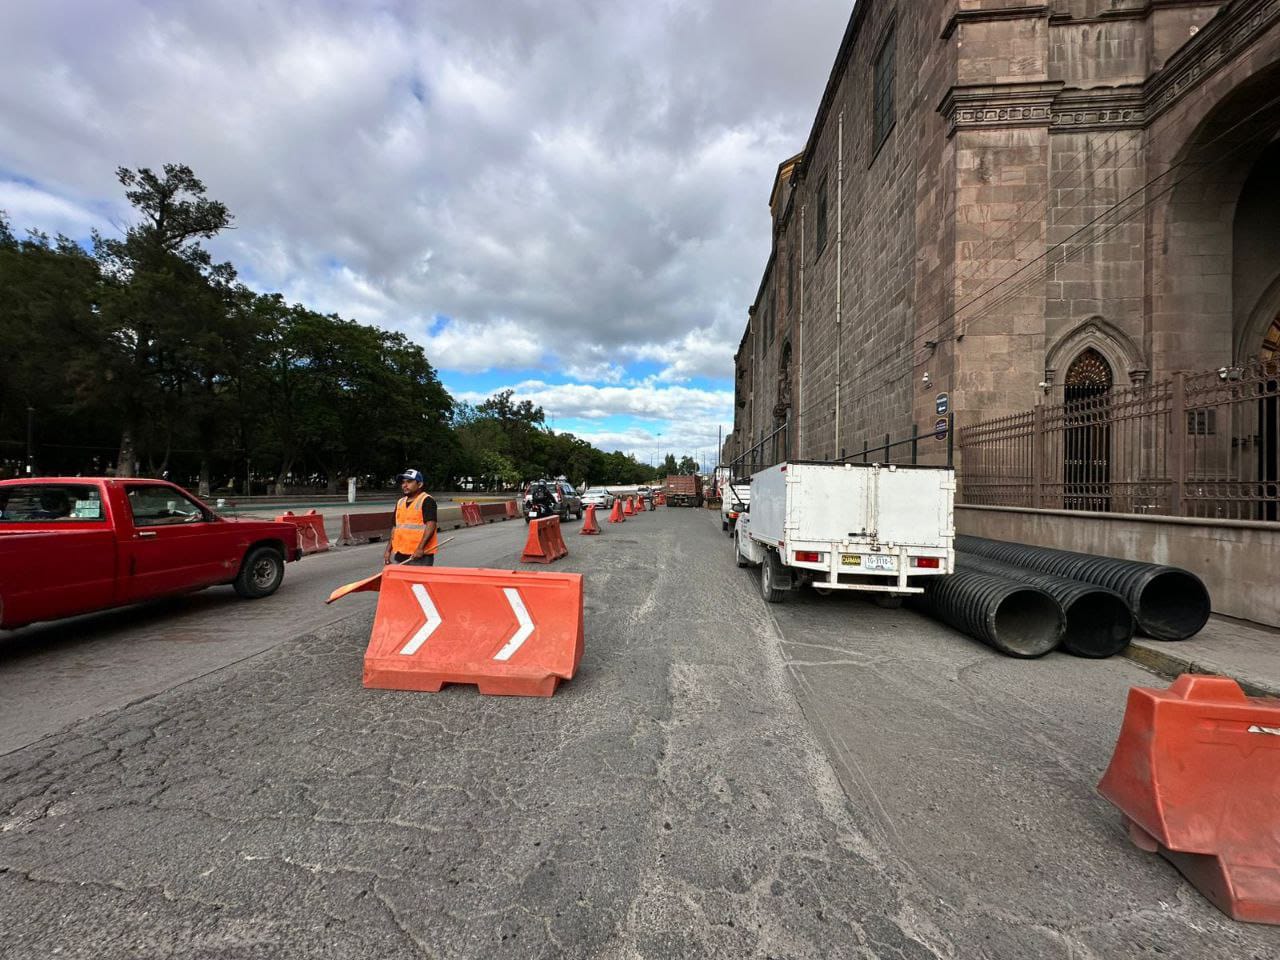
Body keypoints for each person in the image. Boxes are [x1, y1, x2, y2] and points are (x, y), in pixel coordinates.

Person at [385, 469, 438, 566]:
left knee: (418, 581)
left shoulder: (427, 500)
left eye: (409, 482)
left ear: (420, 484)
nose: (404, 485)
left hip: (420, 556)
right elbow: (395, 528)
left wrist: (420, 548)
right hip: (401, 554)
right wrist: (388, 550)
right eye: (403, 482)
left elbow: (431, 525)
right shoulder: (400, 502)